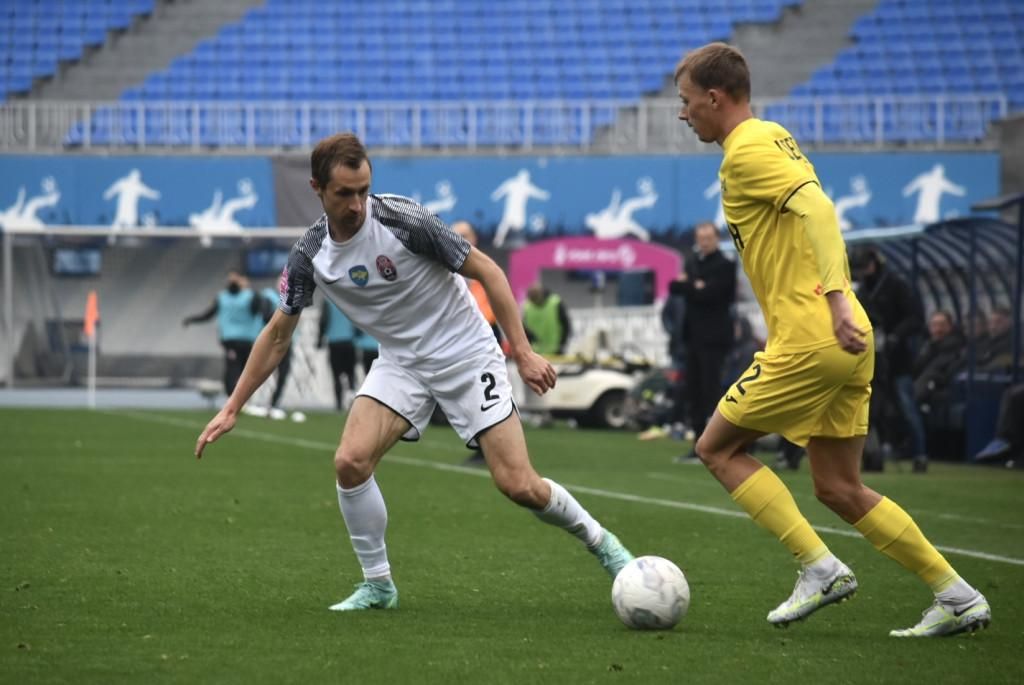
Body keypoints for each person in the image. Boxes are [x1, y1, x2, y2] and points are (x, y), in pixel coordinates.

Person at [193, 133, 634, 612]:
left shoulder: (405, 220)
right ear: (317, 188)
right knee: (350, 462)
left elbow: (489, 272)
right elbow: (279, 334)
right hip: (402, 362)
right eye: (344, 193)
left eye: (364, 190)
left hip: (466, 353)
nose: (358, 204)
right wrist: (233, 407)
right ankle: (379, 585)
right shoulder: (309, 256)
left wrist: (523, 353)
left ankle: (604, 543)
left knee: (517, 484)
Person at [673, 42, 990, 637]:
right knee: (839, 487)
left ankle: (818, 567)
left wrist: (838, 299)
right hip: (845, 339)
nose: (683, 113)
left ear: (715, 99)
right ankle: (958, 595)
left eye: (687, 102)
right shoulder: (772, 136)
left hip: (813, 338)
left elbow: (818, 209)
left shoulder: (745, 151)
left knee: (716, 449)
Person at [850, 247, 928, 473]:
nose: (863, 273)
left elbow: (916, 318)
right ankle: (875, 454)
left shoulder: (896, 284)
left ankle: (920, 454)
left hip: (898, 358)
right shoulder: (865, 289)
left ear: (875, 263)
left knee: (907, 407)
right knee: (874, 408)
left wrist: (896, 335)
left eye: (866, 267)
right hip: (875, 358)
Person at [671, 221, 737, 462]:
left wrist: (691, 286)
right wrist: (693, 286)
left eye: (708, 238)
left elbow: (710, 293)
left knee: (713, 391)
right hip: (693, 337)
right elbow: (675, 286)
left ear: (716, 238)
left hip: (715, 338)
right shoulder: (693, 262)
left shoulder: (725, 265)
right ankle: (699, 445)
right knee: (694, 392)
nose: (704, 242)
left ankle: (720, 443)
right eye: (700, 238)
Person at [452, 219, 502, 466]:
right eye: (456, 234)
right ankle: (484, 448)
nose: (461, 239)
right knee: (471, 398)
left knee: (490, 397)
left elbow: (495, 306)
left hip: (485, 336)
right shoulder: (450, 270)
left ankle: (494, 451)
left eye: (465, 234)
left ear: (474, 238)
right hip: (462, 339)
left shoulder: (485, 268)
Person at [182, 270, 264, 396]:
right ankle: (233, 398)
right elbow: (208, 315)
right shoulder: (226, 296)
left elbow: (259, 311)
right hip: (236, 341)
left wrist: (191, 320)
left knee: (239, 369)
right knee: (235, 369)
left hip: (243, 340)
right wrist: (192, 320)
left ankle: (238, 399)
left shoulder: (249, 296)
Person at [318, 298, 357, 411]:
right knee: (350, 375)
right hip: (349, 341)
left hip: (334, 342)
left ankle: (339, 405)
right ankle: (351, 403)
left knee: (336, 375)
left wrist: (319, 339)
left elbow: (323, 320)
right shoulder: (350, 301)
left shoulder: (328, 300)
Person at [260, 285, 293, 419]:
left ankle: (273, 403)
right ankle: (254, 401)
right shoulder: (268, 297)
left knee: (283, 373)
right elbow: (265, 316)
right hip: (270, 343)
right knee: (262, 372)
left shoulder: (294, 297)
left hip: (287, 343)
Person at [522, 283, 572, 356]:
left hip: (556, 350)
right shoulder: (527, 307)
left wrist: (562, 344)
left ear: (541, 294)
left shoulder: (555, 303)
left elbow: (566, 325)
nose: (535, 303)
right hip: (536, 351)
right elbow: (525, 329)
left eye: (535, 298)